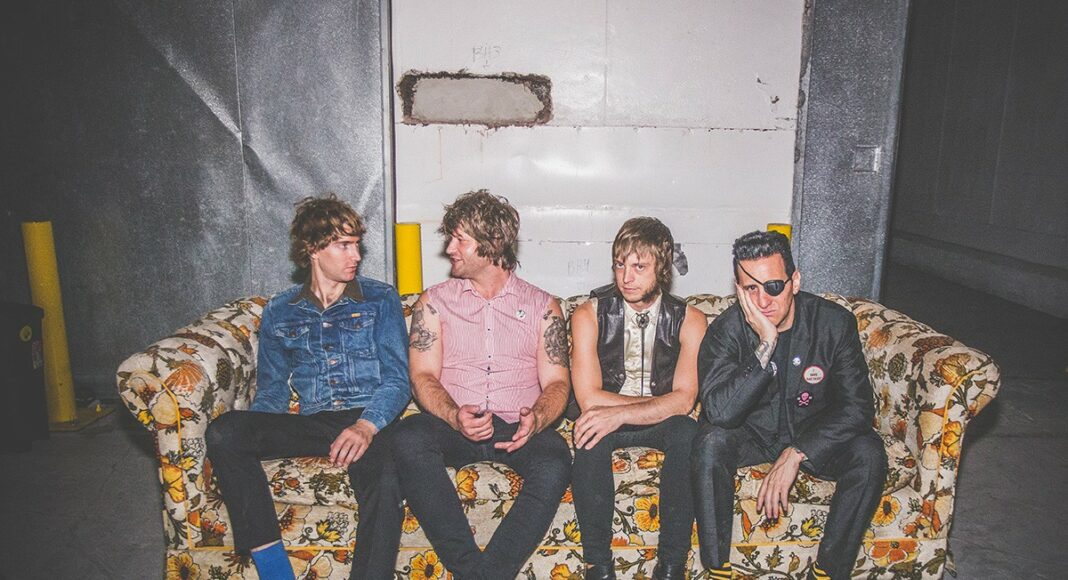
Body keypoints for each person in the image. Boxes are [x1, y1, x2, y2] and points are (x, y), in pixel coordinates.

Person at [205, 194, 409, 580]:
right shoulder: (280, 310)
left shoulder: (379, 298)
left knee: (384, 477)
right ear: (313, 249)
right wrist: (256, 433)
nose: (356, 256)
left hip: (367, 418)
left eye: (357, 245)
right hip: (314, 422)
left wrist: (366, 426)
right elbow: (272, 390)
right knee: (226, 431)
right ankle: (275, 571)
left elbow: (398, 379)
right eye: (343, 245)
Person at [391, 190, 572, 579]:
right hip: (453, 423)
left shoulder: (543, 307)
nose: (449, 249)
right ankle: (473, 572)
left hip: (516, 427)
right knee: (407, 438)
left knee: (555, 457)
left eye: (460, 239)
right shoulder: (434, 302)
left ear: (493, 242)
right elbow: (422, 376)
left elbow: (558, 382)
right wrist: (453, 415)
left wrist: (538, 418)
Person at [691, 230, 886, 580]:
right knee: (710, 442)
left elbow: (858, 407)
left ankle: (827, 572)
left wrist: (798, 452)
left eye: (773, 286)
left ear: (795, 281)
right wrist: (765, 344)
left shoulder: (833, 323)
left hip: (812, 432)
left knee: (869, 452)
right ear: (738, 290)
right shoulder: (726, 330)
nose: (763, 300)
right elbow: (718, 412)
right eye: (751, 289)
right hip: (752, 435)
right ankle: (717, 570)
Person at [569, 217, 706, 580]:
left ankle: (671, 567)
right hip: (610, 415)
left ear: (662, 268)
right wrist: (627, 413)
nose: (626, 277)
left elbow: (684, 400)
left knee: (687, 433)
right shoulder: (588, 314)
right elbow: (588, 398)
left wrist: (618, 413)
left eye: (639, 266)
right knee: (588, 433)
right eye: (620, 265)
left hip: (656, 420)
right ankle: (598, 568)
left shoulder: (691, 320)